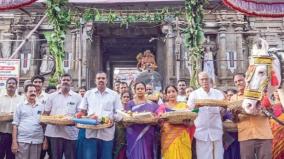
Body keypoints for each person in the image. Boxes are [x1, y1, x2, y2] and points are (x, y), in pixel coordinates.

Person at [77, 72, 123, 159]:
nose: (101, 80)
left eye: (103, 78)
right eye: (98, 78)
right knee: (90, 157)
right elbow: (82, 111)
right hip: (91, 132)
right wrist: (80, 116)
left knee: (106, 157)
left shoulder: (114, 94)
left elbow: (119, 113)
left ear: (107, 81)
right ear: (95, 81)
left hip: (107, 133)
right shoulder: (88, 93)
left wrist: (111, 119)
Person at [231, 73, 272, 159]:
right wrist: (235, 113)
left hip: (263, 135)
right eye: (236, 82)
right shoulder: (233, 98)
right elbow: (234, 120)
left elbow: (271, 112)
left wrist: (261, 109)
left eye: (240, 80)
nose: (238, 83)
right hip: (246, 136)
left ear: (246, 80)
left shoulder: (260, 94)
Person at [187, 72, 225, 159]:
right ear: (198, 81)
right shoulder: (194, 94)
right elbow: (190, 113)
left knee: (219, 156)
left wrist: (223, 109)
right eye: (202, 79)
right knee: (204, 157)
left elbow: (223, 110)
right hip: (201, 131)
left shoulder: (218, 93)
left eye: (206, 79)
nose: (204, 81)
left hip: (216, 129)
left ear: (210, 79)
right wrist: (197, 107)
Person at [43, 74, 82, 159]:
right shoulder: (52, 96)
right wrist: (48, 120)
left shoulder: (77, 97)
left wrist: (74, 119)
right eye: (63, 80)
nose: (65, 82)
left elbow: (80, 114)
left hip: (71, 134)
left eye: (68, 80)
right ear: (60, 82)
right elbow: (46, 113)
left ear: (71, 82)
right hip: (54, 133)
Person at [125, 82, 159, 159]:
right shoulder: (130, 103)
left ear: (145, 90)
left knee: (148, 153)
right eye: (138, 89)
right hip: (134, 133)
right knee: (134, 153)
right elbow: (127, 119)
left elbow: (157, 118)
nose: (140, 90)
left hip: (148, 133)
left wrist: (154, 119)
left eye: (142, 89)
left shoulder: (152, 104)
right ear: (135, 90)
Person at [156, 85, 192, 159]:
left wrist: (187, 123)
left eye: (173, 91)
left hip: (182, 137)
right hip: (168, 137)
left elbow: (191, 123)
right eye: (169, 92)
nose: (171, 93)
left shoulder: (184, 106)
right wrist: (161, 121)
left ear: (177, 93)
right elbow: (159, 121)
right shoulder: (162, 107)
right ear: (166, 95)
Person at [12, 84, 45, 159]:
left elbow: (44, 124)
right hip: (22, 140)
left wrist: (45, 140)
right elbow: (15, 125)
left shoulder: (41, 106)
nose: (33, 93)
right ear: (25, 93)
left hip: (37, 140)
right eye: (30, 91)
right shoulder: (19, 106)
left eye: (34, 91)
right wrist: (14, 142)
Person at [0, 78, 23, 159]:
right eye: (9, 83)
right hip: (1, 133)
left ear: (16, 86)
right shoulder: (0, 98)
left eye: (13, 83)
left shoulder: (21, 99)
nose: (11, 85)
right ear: (6, 85)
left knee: (12, 156)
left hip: (15, 135)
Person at [113, 91, 132, 159]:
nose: (126, 98)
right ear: (121, 98)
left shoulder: (133, 109)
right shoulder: (117, 109)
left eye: (128, 97)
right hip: (119, 134)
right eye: (124, 97)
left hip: (130, 134)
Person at [270, 90, 284, 159]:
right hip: (274, 134)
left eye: (277, 91)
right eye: (275, 91)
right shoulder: (270, 103)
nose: (276, 93)